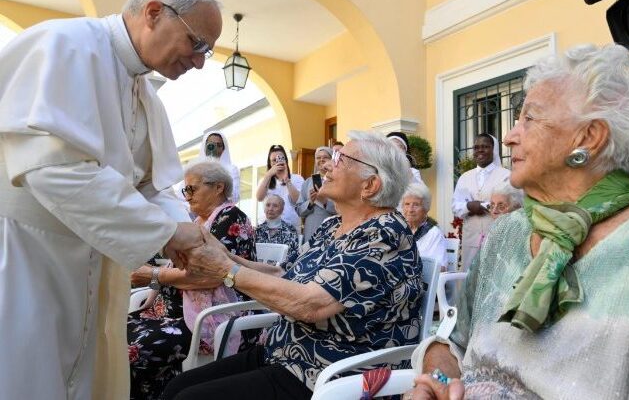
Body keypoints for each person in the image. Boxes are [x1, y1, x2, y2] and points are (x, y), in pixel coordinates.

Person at [0, 0, 222, 398]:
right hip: (27, 258)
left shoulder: (145, 93)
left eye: (206, 51)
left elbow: (150, 185)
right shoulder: (65, 45)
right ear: (154, 12)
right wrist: (168, 232)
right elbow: (54, 169)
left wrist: (188, 233)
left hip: (88, 261)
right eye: (196, 43)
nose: (198, 62)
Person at [408, 44, 629, 400]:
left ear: (589, 137)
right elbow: (454, 340)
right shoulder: (509, 232)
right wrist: (437, 382)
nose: (510, 137)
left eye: (529, 118)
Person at [162, 130, 423, 400]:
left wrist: (225, 270)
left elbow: (312, 305)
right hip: (283, 351)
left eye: (340, 159)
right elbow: (286, 275)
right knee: (176, 387)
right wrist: (226, 256)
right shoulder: (333, 225)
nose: (327, 165)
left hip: (327, 372)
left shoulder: (383, 232)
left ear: (370, 185)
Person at [127, 161, 255, 399]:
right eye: (184, 190)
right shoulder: (197, 223)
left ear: (218, 187)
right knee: (115, 334)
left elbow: (209, 275)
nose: (186, 196)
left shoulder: (231, 217)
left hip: (209, 318)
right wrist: (154, 285)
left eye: (191, 189)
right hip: (171, 313)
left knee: (132, 349)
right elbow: (175, 267)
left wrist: (153, 275)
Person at [451, 133, 510, 271]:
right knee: (470, 276)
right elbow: (455, 206)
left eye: (485, 147)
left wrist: (486, 206)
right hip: (471, 238)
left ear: (493, 149)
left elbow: (513, 206)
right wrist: (469, 206)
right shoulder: (464, 177)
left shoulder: (506, 175)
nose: (480, 150)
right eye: (476, 147)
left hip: (497, 237)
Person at [255, 144, 304, 231]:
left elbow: (298, 200)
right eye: (274, 160)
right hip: (268, 227)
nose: (277, 162)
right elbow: (259, 197)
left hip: (291, 228)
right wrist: (269, 175)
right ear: (270, 163)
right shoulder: (265, 179)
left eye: (281, 158)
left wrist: (287, 180)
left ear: (286, 160)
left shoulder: (297, 178)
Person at [402, 183, 448, 271]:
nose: (410, 210)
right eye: (407, 204)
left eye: (416, 205)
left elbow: (441, 268)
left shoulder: (434, 233)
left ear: (426, 208)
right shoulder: (400, 230)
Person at [295, 146, 337, 242]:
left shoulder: (337, 181)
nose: (321, 160)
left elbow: (344, 209)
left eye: (325, 157)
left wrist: (325, 202)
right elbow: (299, 210)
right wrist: (310, 202)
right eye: (318, 157)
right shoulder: (307, 182)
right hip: (310, 232)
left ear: (332, 160)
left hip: (331, 231)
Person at [256, 194, 300, 266]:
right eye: (268, 205)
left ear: (282, 210)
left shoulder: (290, 230)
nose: (270, 209)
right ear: (264, 209)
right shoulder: (257, 230)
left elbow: (292, 256)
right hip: (257, 269)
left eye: (275, 206)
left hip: (280, 270)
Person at [197, 130, 241, 203]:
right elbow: (184, 196)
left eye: (219, 145)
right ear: (205, 146)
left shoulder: (231, 170)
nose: (215, 148)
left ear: (223, 149)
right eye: (211, 144)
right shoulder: (194, 170)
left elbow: (235, 197)